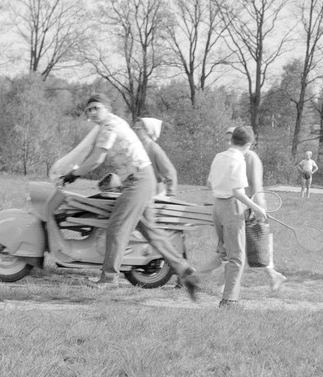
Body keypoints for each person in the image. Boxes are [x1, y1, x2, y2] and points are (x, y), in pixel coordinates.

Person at [60, 93, 201, 298]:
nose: (91, 112)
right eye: (89, 109)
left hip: (138, 181)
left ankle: (109, 279)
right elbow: (92, 152)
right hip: (142, 180)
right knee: (151, 232)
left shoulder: (109, 126)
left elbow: (97, 158)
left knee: (117, 228)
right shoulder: (113, 124)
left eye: (96, 108)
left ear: (107, 108)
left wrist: (74, 173)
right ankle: (185, 271)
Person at [200, 127, 286, 293]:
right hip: (238, 206)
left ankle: (269, 277)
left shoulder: (249, 157)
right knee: (233, 250)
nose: (227, 142)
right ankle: (232, 285)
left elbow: (255, 184)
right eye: (227, 138)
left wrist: (257, 209)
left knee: (254, 250)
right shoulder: (229, 156)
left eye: (229, 138)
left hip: (249, 207)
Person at [207, 126, 269, 309]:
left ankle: (200, 281)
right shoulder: (239, 160)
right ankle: (229, 301)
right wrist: (257, 207)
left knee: (226, 253)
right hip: (231, 207)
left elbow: (210, 183)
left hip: (216, 206)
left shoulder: (219, 156)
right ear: (248, 144)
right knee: (237, 257)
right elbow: (238, 192)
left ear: (232, 139)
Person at [131, 117, 177, 196]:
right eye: (134, 129)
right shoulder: (137, 147)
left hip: (155, 193)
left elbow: (170, 171)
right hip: (140, 191)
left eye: (138, 129)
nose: (135, 131)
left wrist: (170, 192)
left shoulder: (154, 149)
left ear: (148, 131)